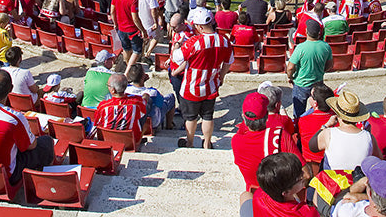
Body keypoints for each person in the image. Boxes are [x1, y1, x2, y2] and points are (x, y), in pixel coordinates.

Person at [240, 152, 322, 217]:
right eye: (300, 178)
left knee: (245, 196)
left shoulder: (259, 195)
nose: (305, 176)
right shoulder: (307, 216)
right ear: (285, 193)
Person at [173, 21, 232, 149]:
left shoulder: (194, 41)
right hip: (211, 85)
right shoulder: (224, 40)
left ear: (200, 27)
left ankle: (190, 143)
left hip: (192, 87)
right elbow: (228, 62)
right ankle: (206, 143)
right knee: (208, 116)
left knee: (191, 118)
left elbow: (176, 58)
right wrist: (221, 77)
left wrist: (177, 45)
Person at [232, 91, 302, 191]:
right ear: (266, 117)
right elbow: (304, 172)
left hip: (253, 195)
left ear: (243, 116)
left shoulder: (235, 141)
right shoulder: (281, 135)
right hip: (279, 194)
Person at [312, 89, 380, 172]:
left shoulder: (328, 133)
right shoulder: (369, 137)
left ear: (337, 114)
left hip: (334, 182)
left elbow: (312, 146)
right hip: (358, 180)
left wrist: (325, 126)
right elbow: (378, 159)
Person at [286, 22, 333, 119]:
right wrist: (321, 71)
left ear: (306, 32)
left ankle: (299, 128)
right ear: (319, 33)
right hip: (318, 82)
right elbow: (330, 65)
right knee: (319, 109)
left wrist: (290, 77)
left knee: (298, 112)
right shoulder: (326, 46)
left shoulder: (300, 48)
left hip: (301, 84)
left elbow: (290, 67)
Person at [110, 0, 147, 73]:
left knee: (126, 49)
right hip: (131, 30)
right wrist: (142, 30)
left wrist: (115, 23)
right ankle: (128, 70)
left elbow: (112, 11)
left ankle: (128, 66)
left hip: (121, 28)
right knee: (137, 51)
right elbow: (135, 17)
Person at [125, 62, 176, 130]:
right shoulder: (152, 92)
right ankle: (169, 126)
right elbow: (160, 104)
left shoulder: (125, 90)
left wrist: (142, 81)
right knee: (170, 97)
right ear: (143, 76)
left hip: (131, 120)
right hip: (152, 123)